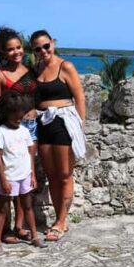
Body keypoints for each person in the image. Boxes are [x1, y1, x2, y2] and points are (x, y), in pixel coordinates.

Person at [32, 30, 86, 241]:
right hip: (43, 123)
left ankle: (62, 221)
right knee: (51, 175)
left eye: (46, 46)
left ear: (53, 43)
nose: (43, 51)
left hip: (63, 123)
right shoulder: (36, 70)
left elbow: (80, 98)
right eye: (38, 48)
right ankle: (58, 218)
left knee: (64, 174)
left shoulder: (66, 67)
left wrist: (80, 128)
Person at [0, 27, 40, 242]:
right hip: (12, 129)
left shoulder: (30, 70)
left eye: (18, 47)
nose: (16, 52)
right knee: (9, 180)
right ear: (2, 52)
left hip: (32, 127)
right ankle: (8, 229)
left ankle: (19, 227)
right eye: (10, 50)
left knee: (24, 176)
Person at [0, 90, 45, 256]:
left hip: (24, 176)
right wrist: (4, 179)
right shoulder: (1, 132)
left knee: (27, 206)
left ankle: (35, 236)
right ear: (6, 113)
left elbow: (30, 154)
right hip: (9, 177)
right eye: (14, 115)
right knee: (2, 209)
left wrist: (32, 175)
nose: (18, 118)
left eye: (20, 115)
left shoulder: (24, 131)